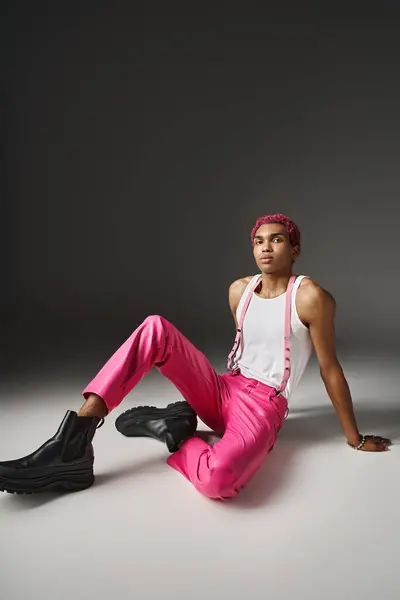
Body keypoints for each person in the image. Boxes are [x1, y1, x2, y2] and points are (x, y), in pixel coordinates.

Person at [0, 213, 392, 500]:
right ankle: (71, 443)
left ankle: (179, 432)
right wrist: (214, 391)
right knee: (155, 327)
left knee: (219, 478)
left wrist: (354, 439)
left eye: (276, 240)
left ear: (295, 249)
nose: (266, 247)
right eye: (258, 241)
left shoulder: (311, 298)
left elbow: (330, 368)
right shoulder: (239, 290)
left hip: (261, 406)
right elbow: (248, 349)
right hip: (221, 389)